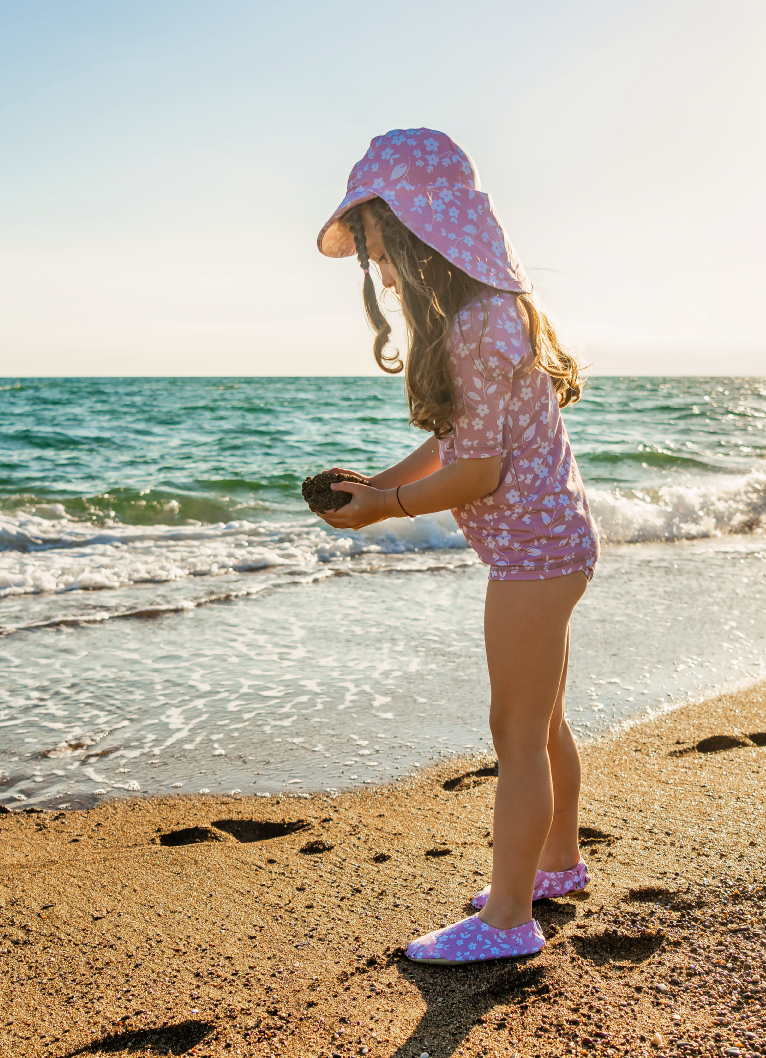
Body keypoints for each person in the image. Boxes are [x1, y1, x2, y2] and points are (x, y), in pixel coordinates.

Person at [315, 129, 600, 965]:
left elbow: (475, 473)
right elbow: (453, 444)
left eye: (370, 236)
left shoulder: (477, 324)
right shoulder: (486, 313)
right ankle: (557, 864)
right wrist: (378, 486)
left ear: (407, 226)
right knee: (542, 719)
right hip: (555, 544)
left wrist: (385, 509)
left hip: (533, 558)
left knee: (515, 730)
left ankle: (509, 918)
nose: (372, 259)